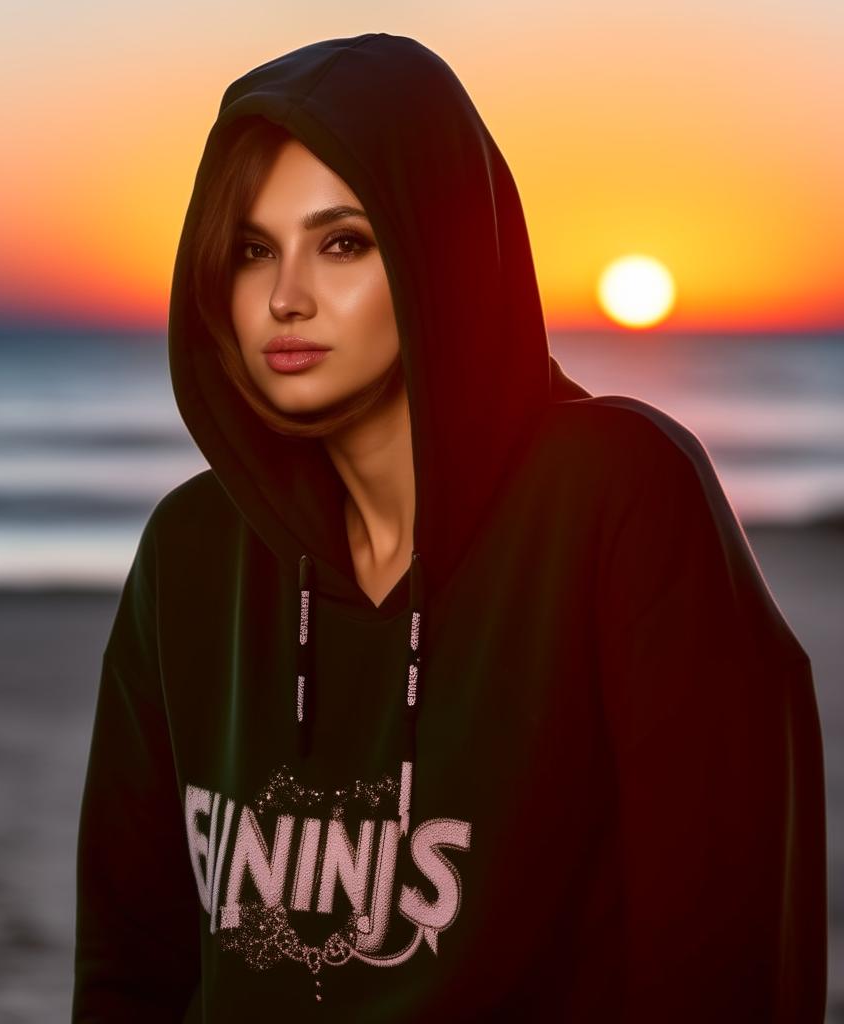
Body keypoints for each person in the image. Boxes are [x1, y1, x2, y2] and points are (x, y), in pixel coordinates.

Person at [71, 32, 827, 1023]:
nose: (285, 297)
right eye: (253, 248)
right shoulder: (190, 553)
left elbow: (725, 961)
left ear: (439, 251)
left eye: (343, 242)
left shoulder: (620, 498)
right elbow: (129, 963)